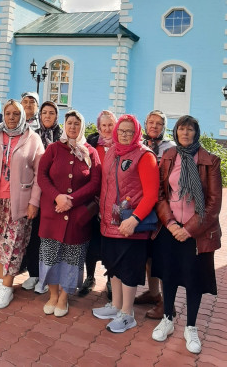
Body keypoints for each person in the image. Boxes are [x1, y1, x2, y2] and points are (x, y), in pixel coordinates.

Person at [150, 115, 222, 354]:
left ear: (196, 132)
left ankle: (191, 327)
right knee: (168, 276)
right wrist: (170, 223)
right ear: (176, 131)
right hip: (170, 229)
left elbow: (213, 204)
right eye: (181, 129)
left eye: (190, 130)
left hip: (196, 233)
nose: (185, 133)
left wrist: (188, 229)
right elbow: (161, 194)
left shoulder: (209, 161)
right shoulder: (170, 157)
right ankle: (168, 319)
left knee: (193, 281)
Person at [0, 99, 44, 309]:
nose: (12, 118)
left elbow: (40, 175)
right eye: (8, 113)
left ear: (22, 116)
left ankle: (7, 287)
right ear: (2, 115)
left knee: (13, 244)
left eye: (16, 114)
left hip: (19, 202)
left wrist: (34, 202)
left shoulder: (32, 138)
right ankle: (2, 280)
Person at [93, 114, 159, 333]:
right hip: (110, 221)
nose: (124, 135)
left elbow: (151, 195)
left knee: (129, 269)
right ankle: (116, 306)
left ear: (137, 133)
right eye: (121, 130)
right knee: (114, 266)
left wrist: (135, 219)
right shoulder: (112, 151)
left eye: (129, 131)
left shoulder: (144, 156)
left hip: (130, 224)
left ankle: (127, 314)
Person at [38, 110, 101, 317]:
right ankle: (53, 295)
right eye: (70, 123)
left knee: (72, 259)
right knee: (50, 257)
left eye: (77, 124)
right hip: (53, 213)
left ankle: (64, 297)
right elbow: (42, 176)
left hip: (76, 216)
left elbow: (95, 182)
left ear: (82, 127)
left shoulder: (91, 152)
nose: (73, 127)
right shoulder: (54, 148)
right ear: (64, 125)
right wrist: (58, 197)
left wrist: (71, 200)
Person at [135, 109, 176, 319]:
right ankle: (153, 294)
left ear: (164, 127)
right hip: (142, 207)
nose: (154, 126)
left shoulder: (171, 148)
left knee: (163, 257)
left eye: (159, 123)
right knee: (148, 256)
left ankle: (167, 304)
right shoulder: (139, 145)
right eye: (151, 122)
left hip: (163, 208)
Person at [22, 101, 62, 293]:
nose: (47, 116)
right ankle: (33, 274)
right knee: (33, 235)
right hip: (35, 191)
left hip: (56, 195)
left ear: (57, 116)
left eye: (51, 113)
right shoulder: (32, 135)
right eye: (44, 112)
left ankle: (49, 277)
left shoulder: (63, 137)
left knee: (51, 238)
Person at [79, 110, 117, 297]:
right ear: (99, 127)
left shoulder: (122, 145)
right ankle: (90, 277)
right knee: (91, 242)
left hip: (114, 204)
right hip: (93, 202)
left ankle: (110, 280)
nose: (107, 128)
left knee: (110, 243)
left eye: (111, 124)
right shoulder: (91, 144)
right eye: (104, 125)